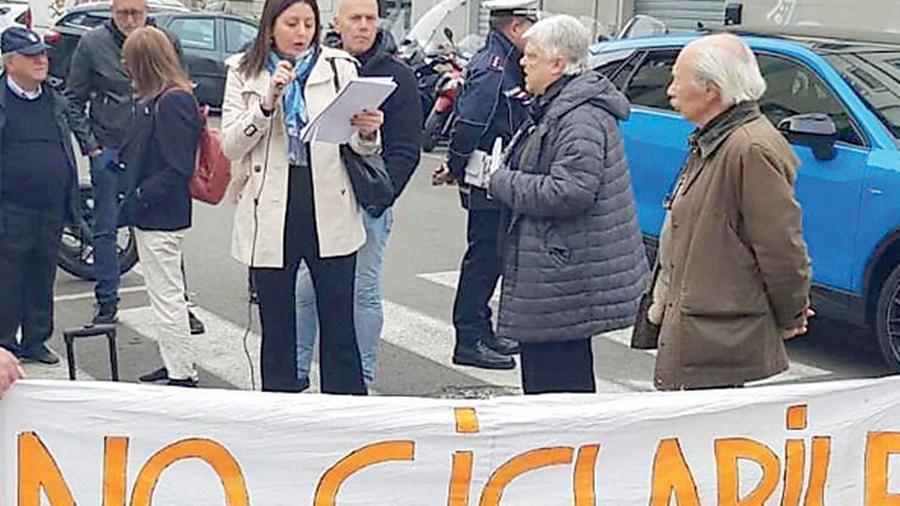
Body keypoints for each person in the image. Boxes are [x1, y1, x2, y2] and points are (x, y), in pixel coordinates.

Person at [221, 0, 384, 394]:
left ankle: (343, 408)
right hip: (271, 205)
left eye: (308, 23)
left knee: (338, 319)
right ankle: (281, 405)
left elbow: (361, 149)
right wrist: (266, 101)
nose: (301, 32)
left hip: (328, 201)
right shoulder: (245, 69)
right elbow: (230, 145)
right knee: (277, 323)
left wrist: (368, 131)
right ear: (271, 27)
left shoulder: (338, 67)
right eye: (291, 23)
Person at [487, 16, 648, 394]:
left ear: (558, 64)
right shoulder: (561, 104)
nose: (523, 62)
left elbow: (571, 191)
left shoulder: (580, 117)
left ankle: (561, 453)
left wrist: (500, 180)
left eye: (532, 55)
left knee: (558, 389)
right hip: (559, 273)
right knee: (556, 379)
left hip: (564, 275)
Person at [648, 34, 813, 390]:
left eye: (678, 78)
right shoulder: (716, 138)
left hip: (720, 341)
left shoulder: (749, 147)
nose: (670, 89)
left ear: (711, 89)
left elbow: (780, 246)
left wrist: (791, 313)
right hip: (704, 330)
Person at [294, 0, 422, 390]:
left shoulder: (397, 75)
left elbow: (406, 150)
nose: (364, 26)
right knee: (305, 289)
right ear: (337, 23)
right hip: (320, 201)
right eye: (355, 19)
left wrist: (381, 197)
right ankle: (296, 374)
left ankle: (361, 381)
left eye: (370, 18)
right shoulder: (317, 66)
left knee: (362, 291)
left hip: (368, 202)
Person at [66, 0, 205, 335]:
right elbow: (73, 99)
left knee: (165, 234)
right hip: (112, 150)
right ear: (112, 11)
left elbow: (181, 85)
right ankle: (107, 302)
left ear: (147, 11)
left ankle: (180, 305)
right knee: (106, 226)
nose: (129, 20)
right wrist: (94, 149)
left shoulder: (164, 41)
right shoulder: (92, 43)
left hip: (155, 152)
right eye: (122, 12)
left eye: (136, 13)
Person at [431, 0, 537, 370]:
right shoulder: (495, 67)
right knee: (483, 259)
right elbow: (471, 124)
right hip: (486, 178)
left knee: (493, 258)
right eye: (530, 26)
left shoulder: (505, 61)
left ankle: (483, 330)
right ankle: (469, 338)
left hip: (499, 176)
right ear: (515, 28)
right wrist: (456, 167)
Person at [0, 27, 97, 365]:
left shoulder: (54, 97)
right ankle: (4, 345)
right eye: (32, 56)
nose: (42, 60)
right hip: (10, 207)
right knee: (8, 278)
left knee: (43, 273)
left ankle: (36, 340)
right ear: (11, 62)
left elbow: (76, 128)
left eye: (42, 54)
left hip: (52, 204)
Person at [119, 27, 202, 387]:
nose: (125, 67)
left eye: (129, 61)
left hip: (161, 215)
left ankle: (182, 372)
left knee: (168, 298)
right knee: (163, 294)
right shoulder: (162, 99)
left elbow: (177, 166)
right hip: (155, 213)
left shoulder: (172, 102)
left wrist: (138, 197)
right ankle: (174, 363)